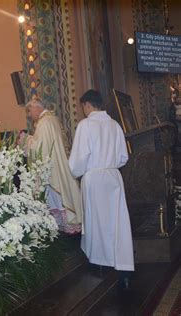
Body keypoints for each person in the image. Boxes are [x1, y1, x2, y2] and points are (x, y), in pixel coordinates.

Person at [69, 89, 134, 289]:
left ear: (87, 104)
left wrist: (76, 171)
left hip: (94, 178)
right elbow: (124, 157)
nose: (83, 111)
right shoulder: (115, 125)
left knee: (97, 222)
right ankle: (122, 266)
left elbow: (78, 160)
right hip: (113, 177)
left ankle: (99, 263)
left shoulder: (85, 125)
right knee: (117, 222)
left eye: (83, 107)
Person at [23, 96, 82, 234]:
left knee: (54, 198)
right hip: (58, 164)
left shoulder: (44, 122)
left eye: (29, 111)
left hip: (52, 169)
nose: (29, 115)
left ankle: (58, 231)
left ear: (37, 107)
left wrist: (26, 140)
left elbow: (40, 148)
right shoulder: (53, 119)